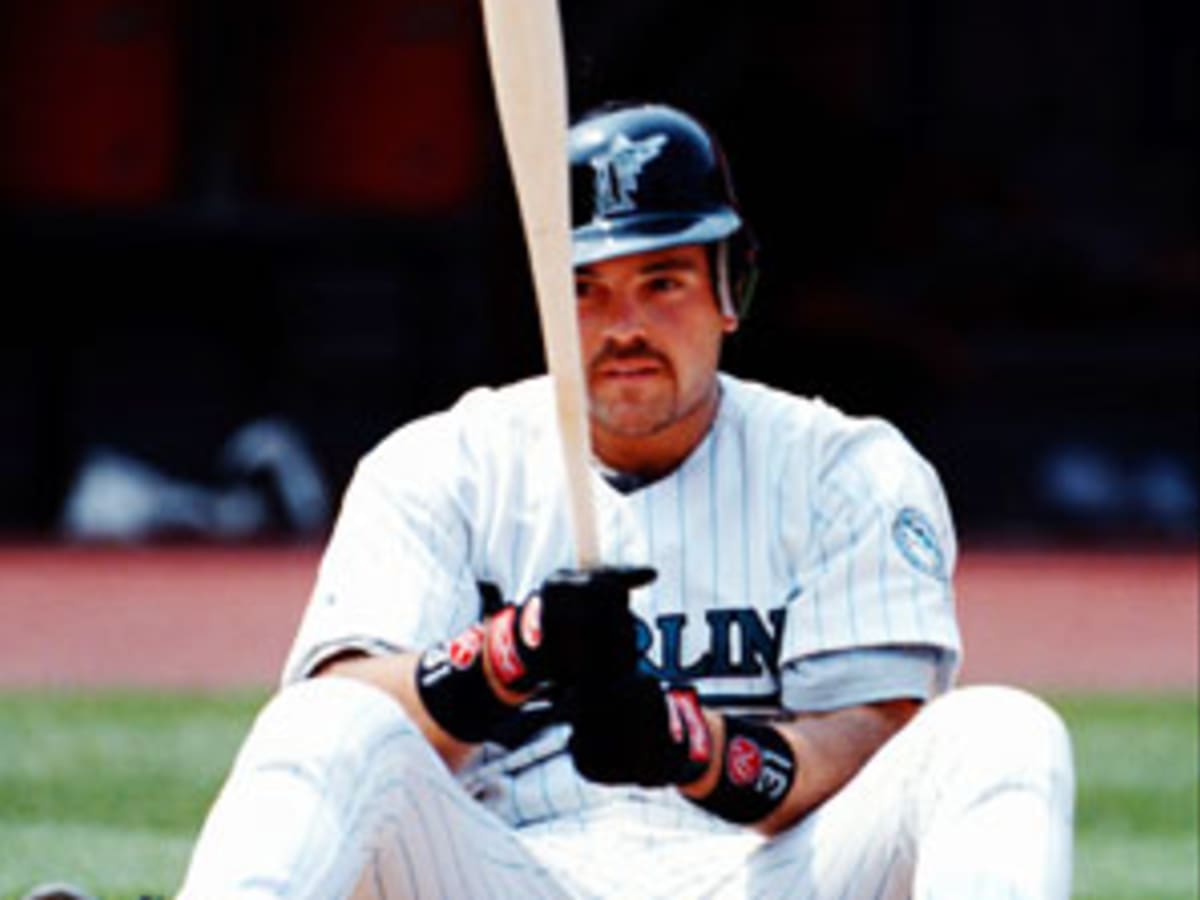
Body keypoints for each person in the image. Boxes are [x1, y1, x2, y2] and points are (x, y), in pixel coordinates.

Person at [179, 102, 1074, 898]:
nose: (625, 327)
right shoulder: (442, 465)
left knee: (1003, 731)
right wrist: (503, 656)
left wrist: (697, 749)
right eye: (585, 289)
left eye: (663, 282)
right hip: (508, 870)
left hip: (761, 875)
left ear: (731, 289)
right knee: (326, 723)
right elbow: (344, 703)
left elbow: (868, 739)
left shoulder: (846, 470)